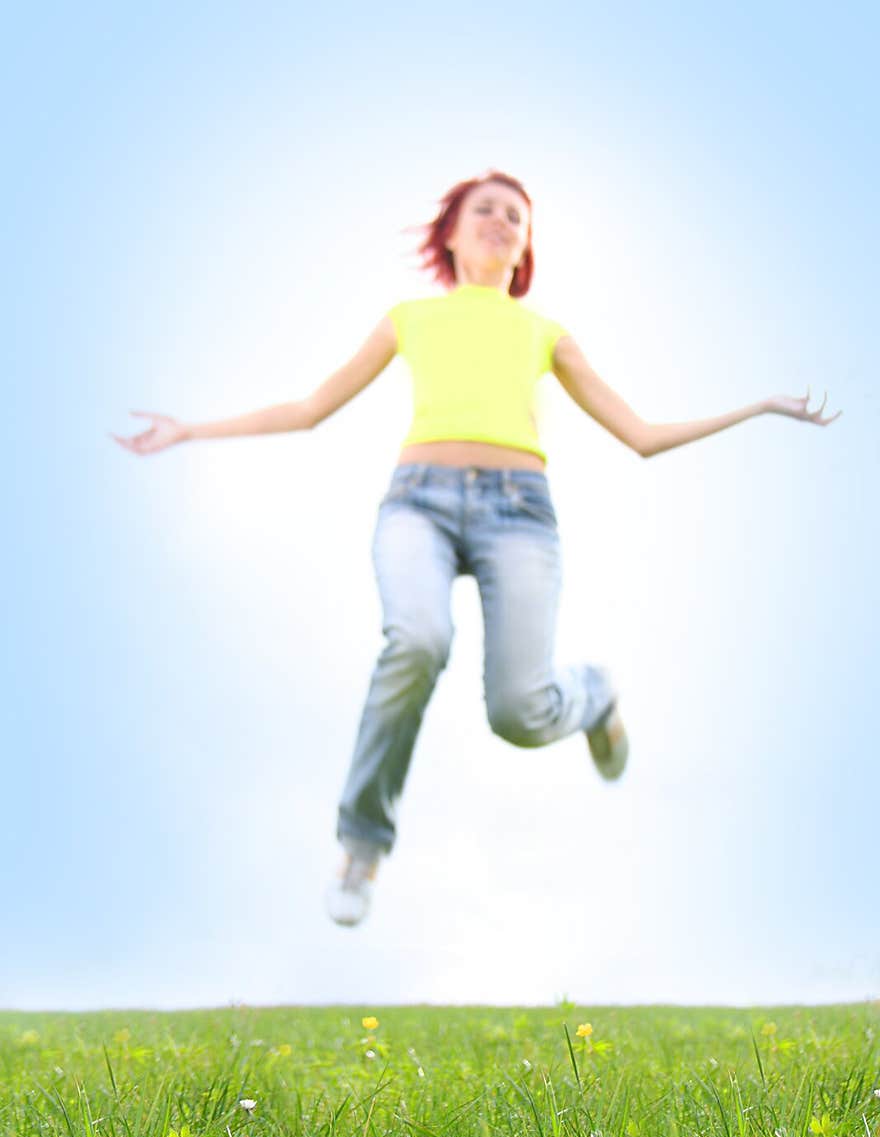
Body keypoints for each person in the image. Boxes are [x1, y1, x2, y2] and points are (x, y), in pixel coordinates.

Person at [113, 169, 840, 928]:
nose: (500, 221)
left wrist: (757, 407)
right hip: (417, 505)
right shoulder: (409, 318)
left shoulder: (545, 334)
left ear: (524, 249)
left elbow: (644, 438)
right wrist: (190, 430)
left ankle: (596, 694)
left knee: (521, 714)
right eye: (483, 210)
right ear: (451, 233)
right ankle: (362, 843)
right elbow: (307, 409)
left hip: (519, 516)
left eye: (516, 217)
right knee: (418, 638)